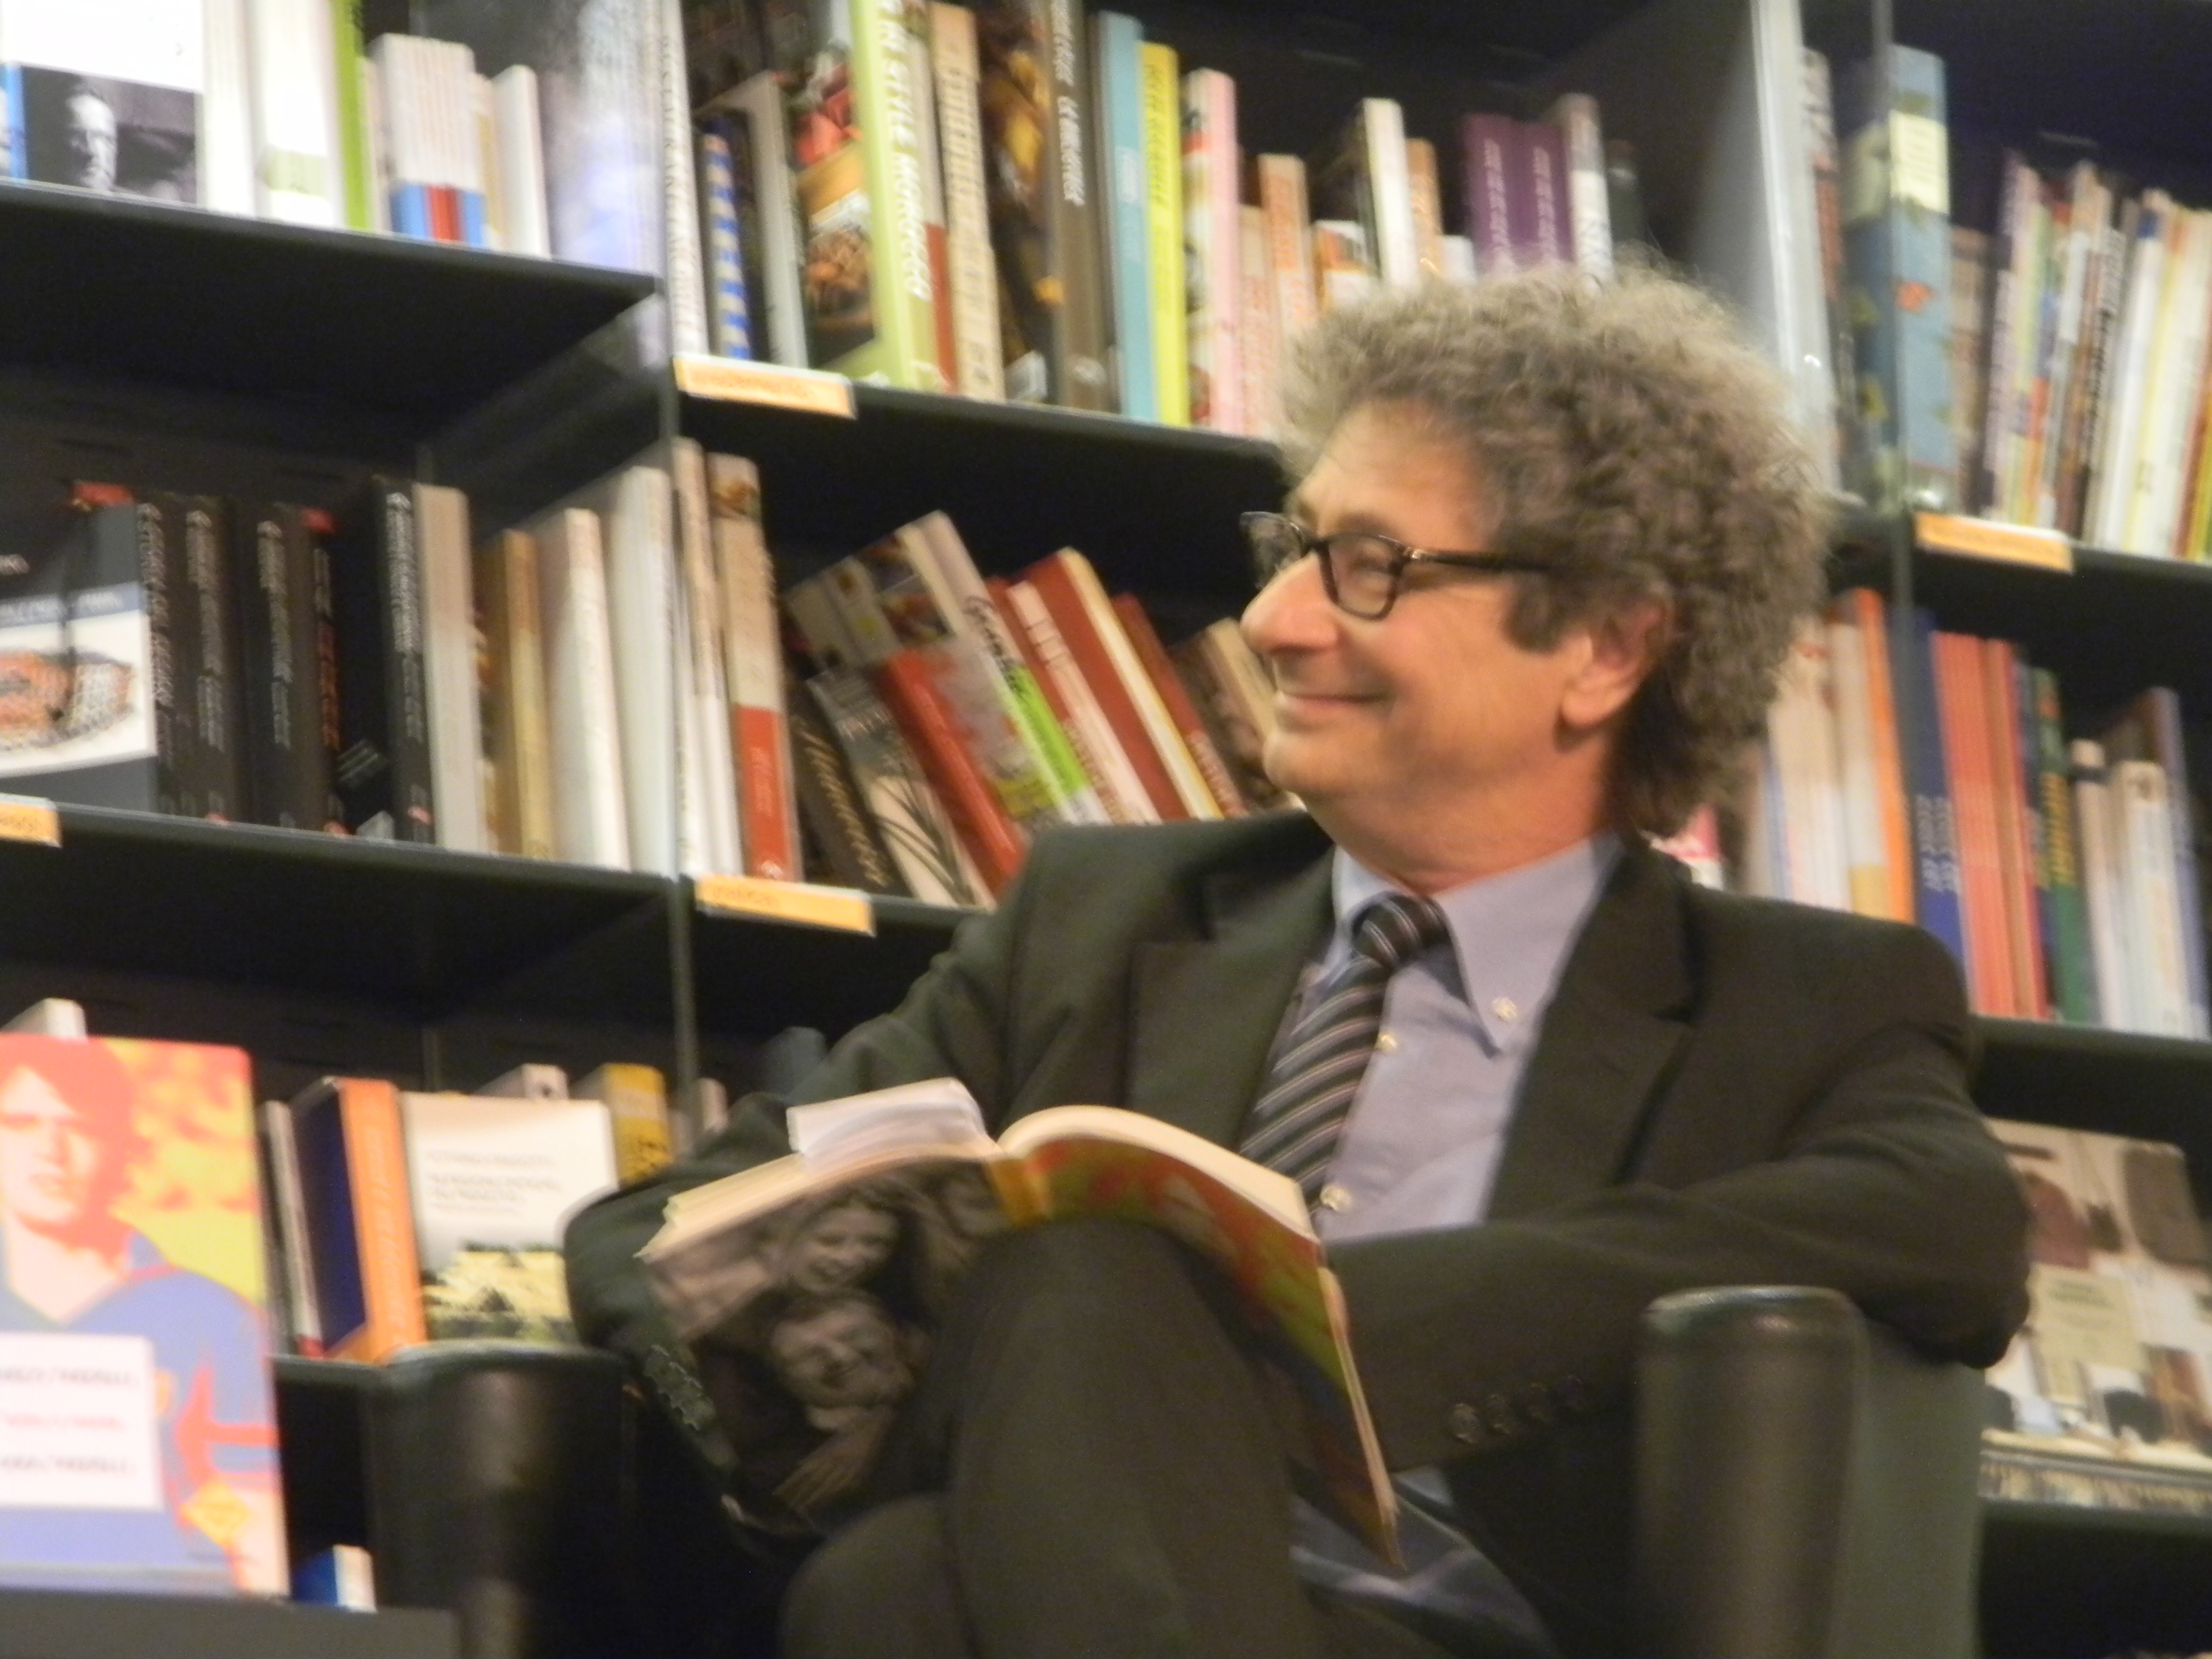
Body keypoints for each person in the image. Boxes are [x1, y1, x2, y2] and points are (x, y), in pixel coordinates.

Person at [568, 267, 2029, 1656]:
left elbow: (1951, 1223)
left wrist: (1321, 1335)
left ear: (1603, 647)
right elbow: (645, 1235)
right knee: (898, 1566)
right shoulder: (1099, 915)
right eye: (1294, 548)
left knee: (1066, 1336)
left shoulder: (1796, 1000)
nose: (1271, 619)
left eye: (1370, 567)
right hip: (1034, 1571)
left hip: (1446, 1634)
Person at [0, 1036, 281, 1593]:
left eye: (81, 1127)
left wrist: (217, 1535)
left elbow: (232, 1502)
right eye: (21, 1123)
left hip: (161, 1613)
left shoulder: (210, 1315)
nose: (51, 1149)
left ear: (124, 1148)